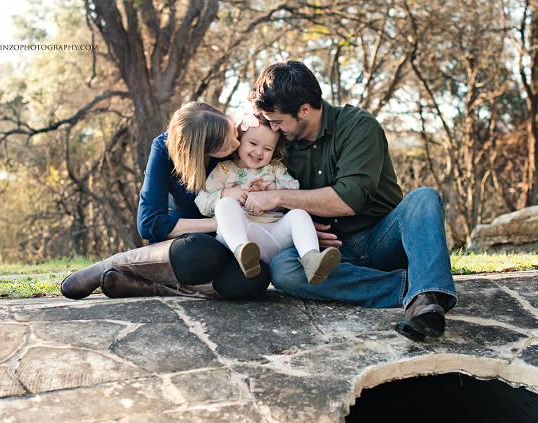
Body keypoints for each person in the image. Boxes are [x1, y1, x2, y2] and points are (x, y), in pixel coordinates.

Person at [246, 60, 457, 342]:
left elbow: (348, 199)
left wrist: (278, 197)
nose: (272, 126)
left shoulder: (358, 126)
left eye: (278, 120)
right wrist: (301, 229)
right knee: (285, 268)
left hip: (382, 238)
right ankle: (417, 290)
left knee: (424, 197)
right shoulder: (280, 142)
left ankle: (424, 299)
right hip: (332, 251)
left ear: (304, 110)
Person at [60, 102, 270, 300]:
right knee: (203, 252)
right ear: (205, 151)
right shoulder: (164, 148)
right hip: (186, 244)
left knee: (256, 275)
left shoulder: (236, 137)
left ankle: (152, 287)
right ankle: (114, 264)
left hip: (230, 240)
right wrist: (217, 223)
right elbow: (149, 223)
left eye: (234, 132)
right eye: (228, 146)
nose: (238, 144)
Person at [194, 112, 341, 284]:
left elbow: (294, 188)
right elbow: (202, 201)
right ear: (239, 140)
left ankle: (311, 259)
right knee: (225, 204)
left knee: (299, 214)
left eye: (267, 148)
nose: (259, 152)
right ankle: (242, 253)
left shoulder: (274, 168)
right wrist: (226, 194)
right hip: (241, 233)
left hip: (274, 233)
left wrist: (272, 189)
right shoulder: (224, 170)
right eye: (253, 143)